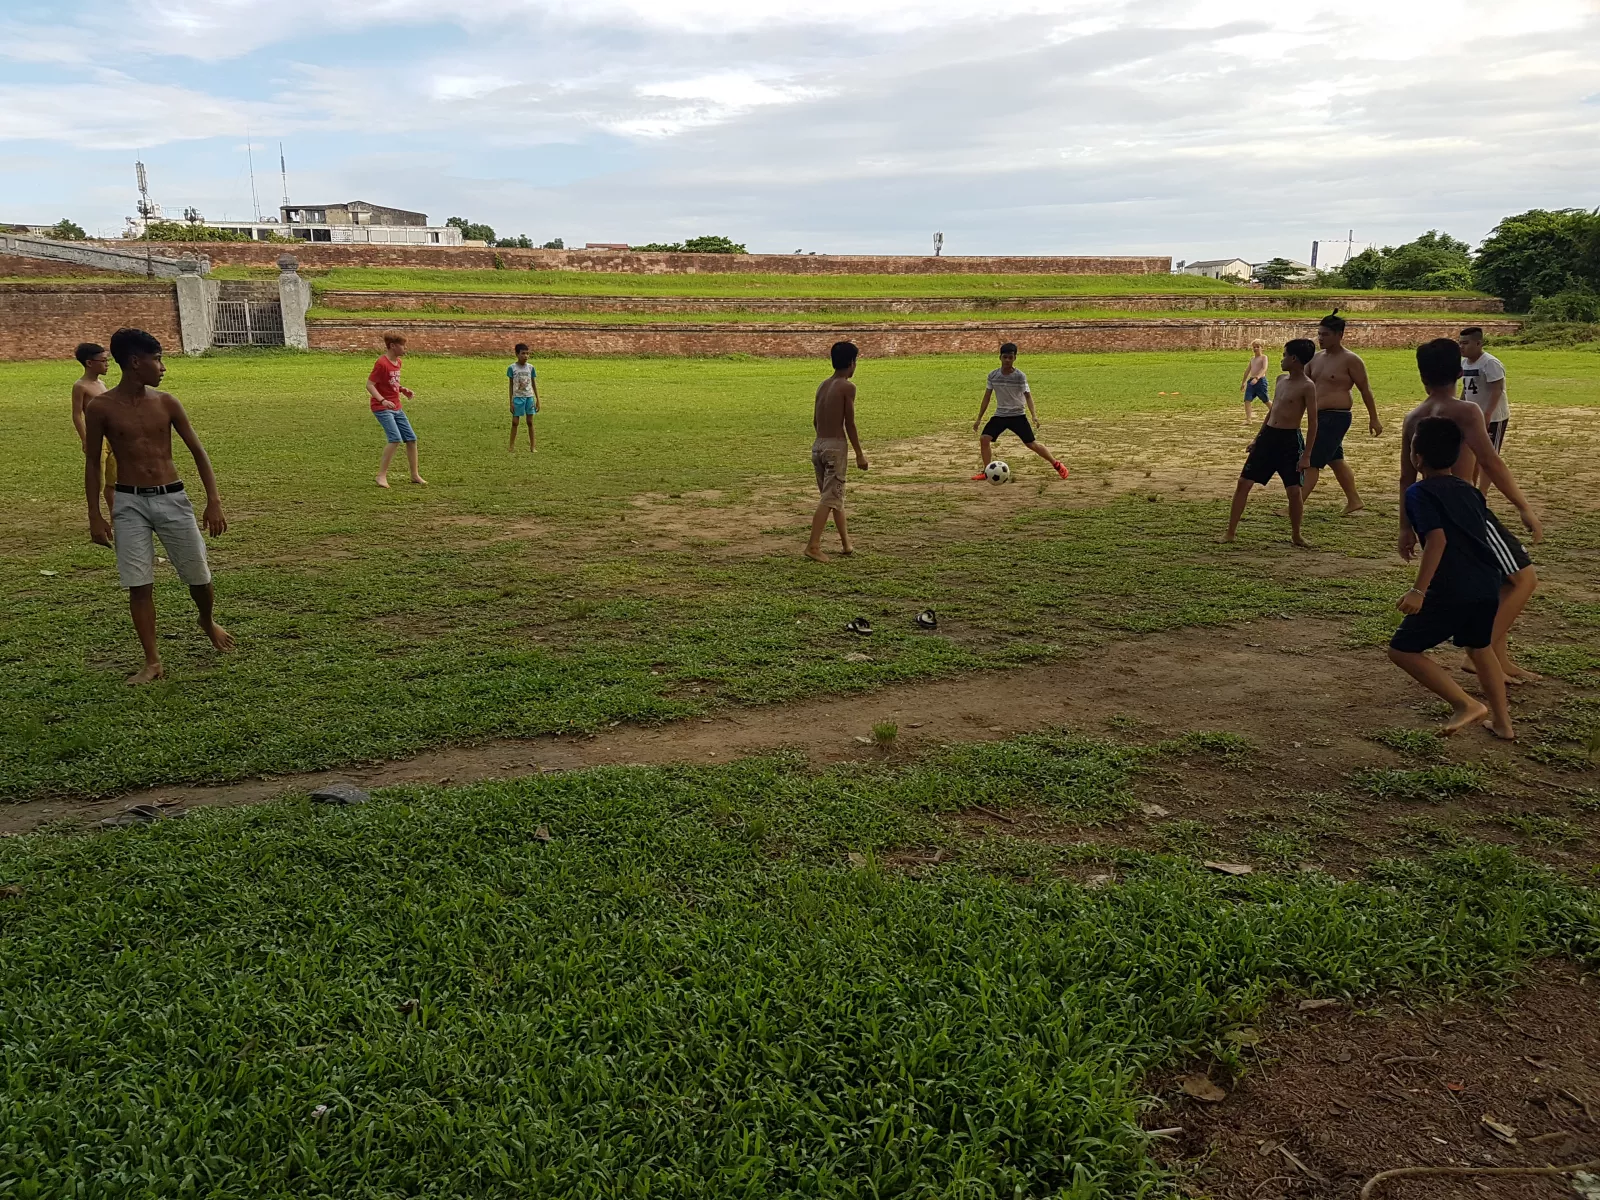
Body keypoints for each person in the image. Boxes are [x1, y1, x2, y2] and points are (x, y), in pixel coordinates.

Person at [82, 328, 232, 685]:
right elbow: (92, 463)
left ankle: (206, 619)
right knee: (139, 584)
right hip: (128, 502)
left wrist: (213, 501)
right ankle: (152, 661)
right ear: (136, 362)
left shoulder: (167, 403)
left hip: (172, 497)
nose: (163, 367)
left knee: (199, 577)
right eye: (158, 359)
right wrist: (95, 514)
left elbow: (198, 451)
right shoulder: (101, 407)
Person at [1399, 338, 1544, 685]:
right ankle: (1480, 652)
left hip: (1433, 512)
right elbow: (1490, 461)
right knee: (1524, 578)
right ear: (1459, 373)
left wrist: (1405, 527)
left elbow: (1406, 477)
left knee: (1499, 581)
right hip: (1465, 511)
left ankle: (1499, 660)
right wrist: (1523, 507)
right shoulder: (1466, 411)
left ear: (1422, 375)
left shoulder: (1414, 417)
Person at [1387, 416, 1513, 739]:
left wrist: (1418, 590)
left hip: (1454, 587)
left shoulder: (1418, 493)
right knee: (1480, 648)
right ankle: (1503, 723)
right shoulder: (1470, 491)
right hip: (1487, 582)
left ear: (1417, 458)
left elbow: (1438, 541)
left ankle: (1465, 704)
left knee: (1402, 649)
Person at [1220, 338, 1318, 546]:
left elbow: (1313, 422)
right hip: (1268, 437)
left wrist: (1306, 455)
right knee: (1243, 483)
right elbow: (1273, 412)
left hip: (1289, 440)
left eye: (1284, 355)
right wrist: (1257, 438)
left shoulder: (1307, 386)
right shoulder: (1281, 380)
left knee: (1294, 491)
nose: (1281, 360)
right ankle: (1230, 533)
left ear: (1294, 358)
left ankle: (1296, 534)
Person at [1303, 310, 1382, 514]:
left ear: (1339, 335)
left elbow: (1365, 389)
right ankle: (1354, 500)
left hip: (1336, 417)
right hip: (1318, 417)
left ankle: (1295, 505)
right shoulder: (1315, 359)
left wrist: (1374, 418)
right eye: (1319, 334)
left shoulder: (1351, 360)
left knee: (1311, 461)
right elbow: (1301, 385)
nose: (1320, 338)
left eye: (1325, 334)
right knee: (1335, 459)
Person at [805, 340, 869, 563]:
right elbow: (849, 423)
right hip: (835, 447)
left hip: (818, 445)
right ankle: (813, 545)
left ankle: (846, 543)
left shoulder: (822, 385)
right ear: (851, 363)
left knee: (833, 497)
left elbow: (815, 420)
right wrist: (859, 453)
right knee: (830, 498)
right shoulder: (847, 387)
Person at [969, 343, 1069, 481]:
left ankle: (1057, 465)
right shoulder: (993, 376)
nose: (1007, 360)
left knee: (1031, 444)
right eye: (1005, 357)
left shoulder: (1020, 376)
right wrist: (979, 418)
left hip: (1017, 416)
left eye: (1010, 357)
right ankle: (987, 472)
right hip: (1000, 415)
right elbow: (987, 397)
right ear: (1000, 357)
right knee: (984, 439)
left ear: (1015, 358)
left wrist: (1034, 415)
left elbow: (1028, 396)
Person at [367, 333, 426, 488]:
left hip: (396, 407)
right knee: (394, 439)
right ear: (393, 346)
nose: (405, 349)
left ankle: (415, 475)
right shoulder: (382, 363)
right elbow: (370, 385)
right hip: (382, 408)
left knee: (411, 439)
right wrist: (383, 400)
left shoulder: (398, 362)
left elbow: (391, 382)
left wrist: (402, 389)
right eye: (403, 346)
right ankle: (381, 476)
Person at [1458, 326, 1509, 489]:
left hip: (1493, 418)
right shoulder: (1464, 364)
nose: (1461, 347)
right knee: (1471, 453)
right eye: (1460, 343)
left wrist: (1488, 414)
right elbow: (1466, 389)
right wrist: (1460, 406)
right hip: (1473, 417)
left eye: (1466, 343)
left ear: (1478, 343)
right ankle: (1471, 487)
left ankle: (1483, 492)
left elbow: (1497, 390)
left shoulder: (1490, 363)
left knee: (1488, 457)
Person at [71, 341, 115, 523]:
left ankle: (115, 516)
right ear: (89, 363)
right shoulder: (81, 386)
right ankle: (95, 515)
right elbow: (77, 415)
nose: (107, 364)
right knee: (97, 479)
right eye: (103, 361)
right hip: (96, 438)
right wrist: (85, 439)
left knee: (114, 480)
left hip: (111, 436)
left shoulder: (102, 384)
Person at [507, 342, 540, 452]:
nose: (525, 356)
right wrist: (511, 401)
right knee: (515, 422)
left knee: (530, 422)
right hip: (517, 397)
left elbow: (533, 383)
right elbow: (511, 385)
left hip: (529, 397)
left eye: (527, 353)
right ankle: (511, 446)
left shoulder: (531, 368)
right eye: (523, 353)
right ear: (517, 354)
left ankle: (533, 446)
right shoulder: (512, 368)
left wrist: (537, 399)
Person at [1240, 339, 1269, 420]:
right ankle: (1248, 419)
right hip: (1251, 382)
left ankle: (1276, 413)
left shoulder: (1264, 357)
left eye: (1257, 347)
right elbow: (1247, 371)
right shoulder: (1252, 359)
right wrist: (1243, 382)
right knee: (1247, 400)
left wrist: (1257, 378)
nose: (1255, 349)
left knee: (1265, 400)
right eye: (1254, 347)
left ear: (1262, 348)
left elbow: (1264, 368)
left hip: (1260, 381)